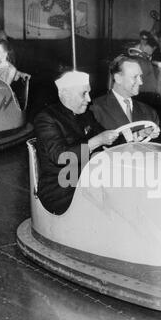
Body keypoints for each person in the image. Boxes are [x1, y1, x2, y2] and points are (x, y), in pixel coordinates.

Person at [34, 71, 119, 215]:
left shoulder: (86, 114)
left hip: (86, 177)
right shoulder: (47, 118)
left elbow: (108, 136)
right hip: (61, 187)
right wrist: (97, 141)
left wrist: (136, 134)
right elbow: (60, 156)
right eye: (84, 93)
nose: (89, 99)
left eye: (89, 93)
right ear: (65, 94)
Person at [91, 55, 160, 140]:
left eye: (140, 77)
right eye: (135, 77)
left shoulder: (150, 112)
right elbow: (87, 148)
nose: (141, 82)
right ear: (118, 78)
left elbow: (158, 145)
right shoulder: (95, 109)